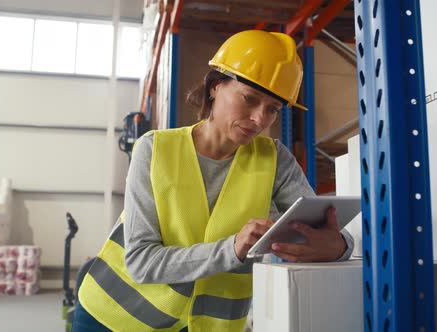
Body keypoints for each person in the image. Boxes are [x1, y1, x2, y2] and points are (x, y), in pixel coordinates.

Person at [73, 30, 354, 332]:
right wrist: (232, 249)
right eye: (249, 99)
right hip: (115, 317)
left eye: (273, 109)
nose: (260, 120)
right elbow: (141, 262)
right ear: (215, 87)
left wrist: (337, 246)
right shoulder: (154, 149)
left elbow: (330, 233)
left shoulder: (275, 159)